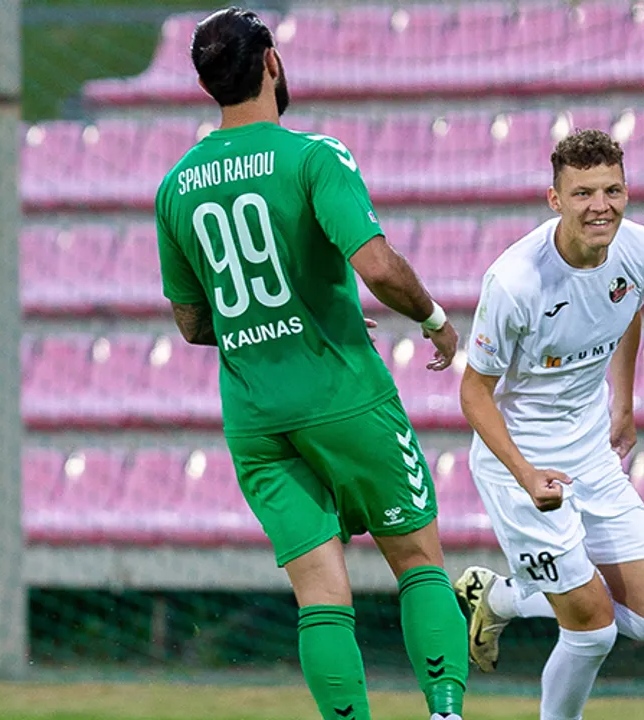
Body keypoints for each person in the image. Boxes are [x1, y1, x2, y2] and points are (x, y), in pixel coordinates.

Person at [153, 9, 468, 720]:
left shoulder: (174, 186)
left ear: (207, 84)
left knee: (320, 597)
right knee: (418, 562)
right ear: (271, 62)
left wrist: (271, 320)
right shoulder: (314, 156)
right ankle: (445, 711)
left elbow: (193, 322)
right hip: (343, 396)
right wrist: (434, 320)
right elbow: (376, 266)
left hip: (257, 418)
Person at [453, 129, 644, 720]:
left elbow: (627, 308)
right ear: (555, 199)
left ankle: (499, 597)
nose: (600, 206)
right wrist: (526, 474)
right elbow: (473, 393)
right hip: (522, 464)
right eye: (583, 194)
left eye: (612, 190)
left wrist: (624, 403)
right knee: (593, 630)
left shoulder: (639, 249)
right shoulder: (515, 282)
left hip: (591, 454)